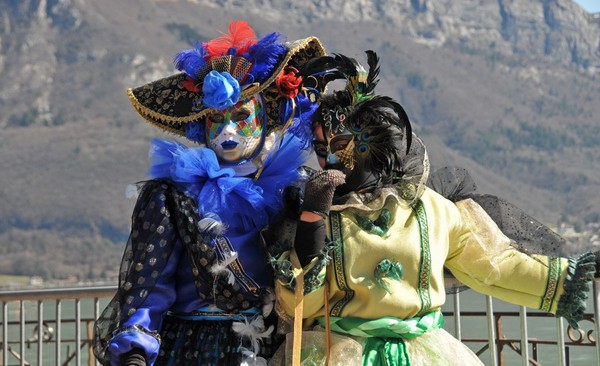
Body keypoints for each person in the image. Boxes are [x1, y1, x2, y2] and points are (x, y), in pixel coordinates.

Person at [268, 51, 599, 365]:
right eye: (321, 149)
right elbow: (300, 306)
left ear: (370, 140)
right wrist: (312, 218)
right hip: (334, 353)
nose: (330, 159)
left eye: (339, 145)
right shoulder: (314, 212)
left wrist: (572, 276)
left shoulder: (431, 209)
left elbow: (494, 265)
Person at [92, 21, 328, 366]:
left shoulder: (296, 189)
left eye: (242, 115)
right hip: (193, 346)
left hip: (276, 345)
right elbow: (151, 281)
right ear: (202, 124)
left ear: (266, 118)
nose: (228, 129)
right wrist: (136, 349)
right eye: (216, 118)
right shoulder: (173, 195)